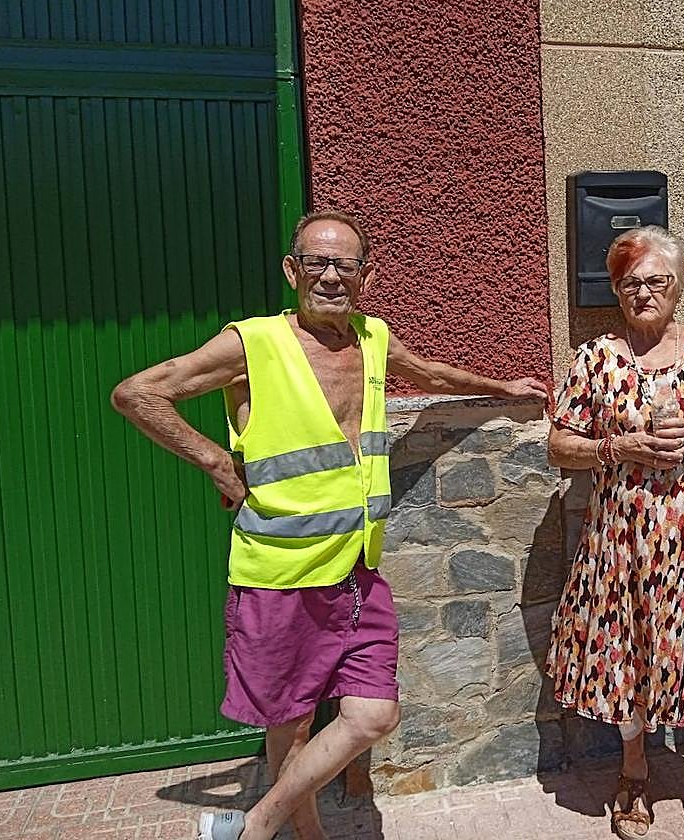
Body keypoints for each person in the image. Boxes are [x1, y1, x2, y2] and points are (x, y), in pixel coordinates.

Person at [111, 209, 547, 840]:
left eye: (345, 264)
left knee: (372, 714)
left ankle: (254, 825)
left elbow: (427, 372)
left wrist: (502, 386)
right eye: (318, 262)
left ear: (364, 274)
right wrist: (215, 462)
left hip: (356, 570)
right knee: (289, 723)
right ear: (293, 270)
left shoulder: (372, 337)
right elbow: (138, 393)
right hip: (281, 573)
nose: (332, 276)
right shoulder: (251, 344)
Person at [546, 225, 684, 840]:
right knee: (628, 645)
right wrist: (615, 445)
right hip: (625, 537)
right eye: (630, 282)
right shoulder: (598, 359)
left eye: (655, 280)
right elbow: (559, 443)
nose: (642, 292)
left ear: (678, 286)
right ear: (616, 290)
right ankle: (633, 770)